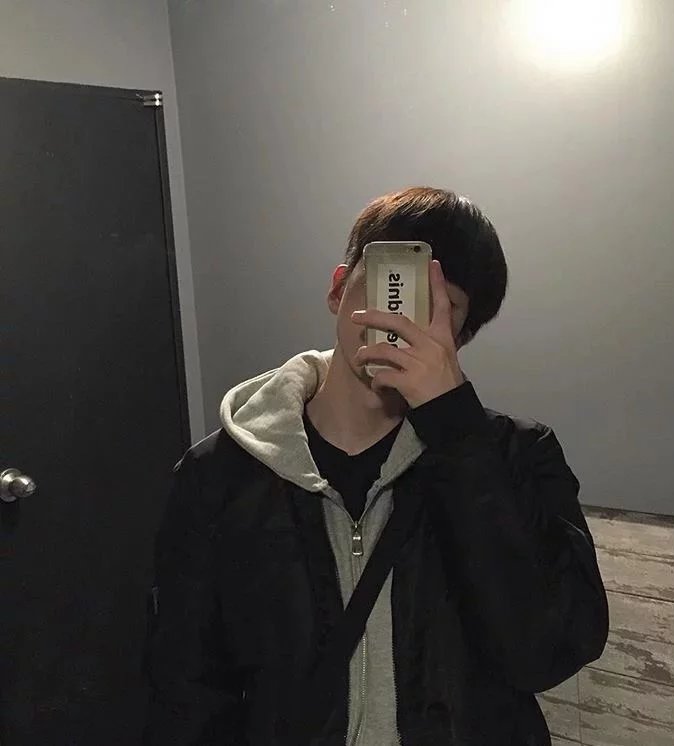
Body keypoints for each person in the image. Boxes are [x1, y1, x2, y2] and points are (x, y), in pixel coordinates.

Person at [142, 186, 609, 746]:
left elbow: (546, 652)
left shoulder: (518, 455)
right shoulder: (219, 473)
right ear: (339, 289)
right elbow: (186, 692)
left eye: (435, 307)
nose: (399, 319)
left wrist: (456, 431)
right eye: (392, 285)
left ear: (460, 335)